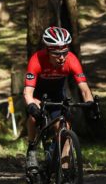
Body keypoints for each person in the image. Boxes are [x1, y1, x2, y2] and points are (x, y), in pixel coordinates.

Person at [23, 26, 95, 174]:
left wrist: (90, 103)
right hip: (38, 95)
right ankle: (31, 149)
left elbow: (85, 88)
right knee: (33, 118)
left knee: (65, 131)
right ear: (48, 51)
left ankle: (66, 174)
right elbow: (28, 92)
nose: (62, 57)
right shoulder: (36, 60)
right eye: (57, 54)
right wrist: (31, 105)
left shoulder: (71, 60)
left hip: (57, 95)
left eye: (64, 53)